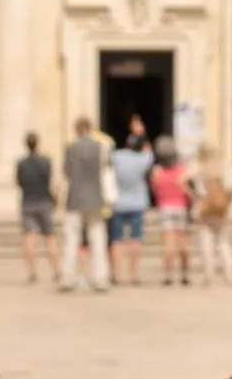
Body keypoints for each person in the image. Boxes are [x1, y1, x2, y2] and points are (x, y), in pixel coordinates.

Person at [60, 117, 110, 292]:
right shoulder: (101, 148)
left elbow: (66, 172)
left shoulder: (71, 148)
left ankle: (67, 277)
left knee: (71, 239)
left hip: (75, 198)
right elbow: (105, 171)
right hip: (96, 198)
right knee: (98, 239)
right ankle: (100, 277)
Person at [109, 127, 154, 285]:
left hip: (118, 203)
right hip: (137, 203)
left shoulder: (117, 156)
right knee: (136, 238)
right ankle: (134, 274)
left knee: (116, 240)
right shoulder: (143, 159)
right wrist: (141, 133)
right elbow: (149, 151)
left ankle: (116, 274)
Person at [15, 131, 58, 285]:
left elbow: (19, 182)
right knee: (50, 237)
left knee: (29, 238)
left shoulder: (21, 163)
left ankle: (32, 272)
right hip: (44, 201)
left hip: (28, 202)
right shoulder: (46, 162)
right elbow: (49, 181)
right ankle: (56, 271)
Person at [150, 134, 192, 285]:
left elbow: (154, 190)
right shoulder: (182, 171)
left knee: (168, 243)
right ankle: (185, 274)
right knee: (183, 242)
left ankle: (168, 275)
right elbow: (188, 192)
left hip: (165, 208)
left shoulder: (157, 172)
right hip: (180, 207)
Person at [194, 147, 232, 286]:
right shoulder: (223, 170)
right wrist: (226, 204)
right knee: (224, 243)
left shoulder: (201, 172)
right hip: (221, 210)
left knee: (206, 242)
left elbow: (198, 192)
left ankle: (208, 274)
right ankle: (229, 275)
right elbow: (231, 189)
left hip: (205, 211)